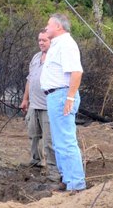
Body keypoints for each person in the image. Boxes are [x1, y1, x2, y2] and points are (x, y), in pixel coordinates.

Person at [40, 13, 86, 191]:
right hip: (54, 96)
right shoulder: (57, 44)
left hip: (61, 95)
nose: (46, 28)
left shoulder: (66, 44)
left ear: (58, 26)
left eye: (49, 24)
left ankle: (76, 183)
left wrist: (70, 97)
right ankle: (67, 179)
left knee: (66, 140)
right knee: (59, 141)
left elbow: (76, 72)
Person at [20, 31, 61, 184]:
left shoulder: (55, 58)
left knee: (49, 140)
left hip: (48, 105)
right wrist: (25, 99)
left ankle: (54, 171)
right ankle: (35, 161)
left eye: (44, 40)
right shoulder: (36, 57)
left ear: (51, 41)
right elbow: (30, 79)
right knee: (33, 135)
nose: (41, 43)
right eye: (39, 40)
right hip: (34, 104)